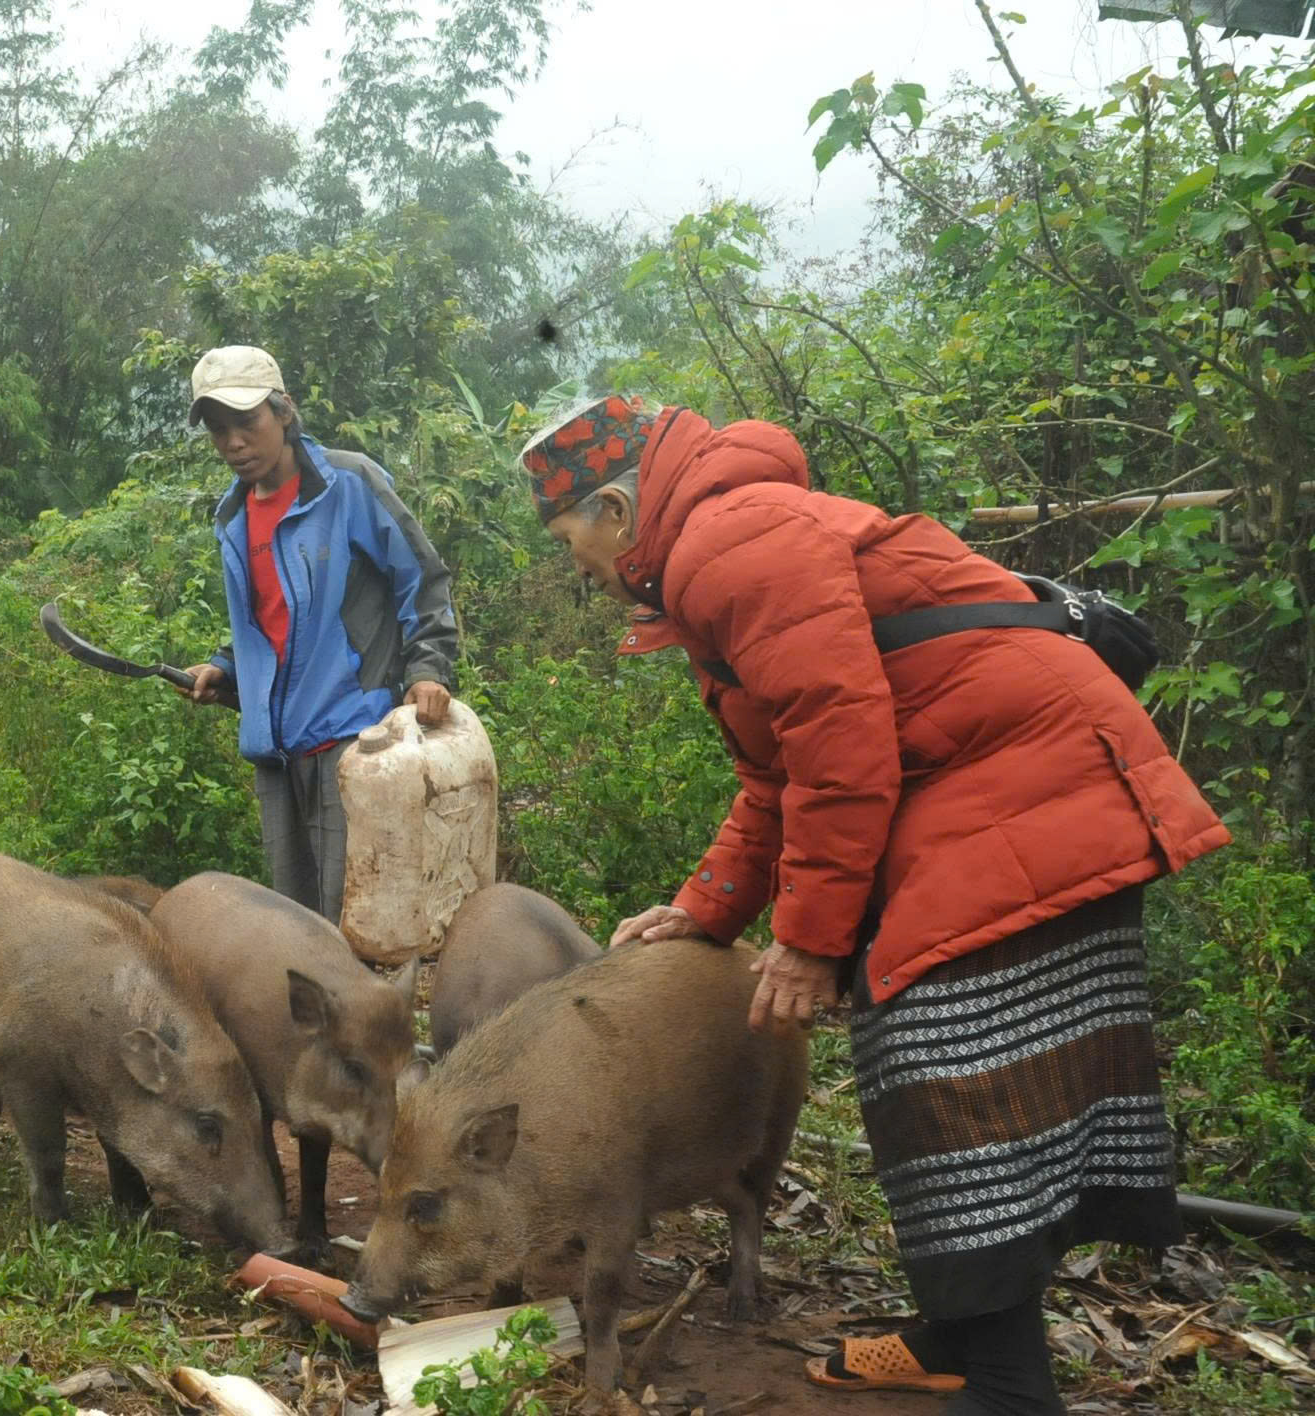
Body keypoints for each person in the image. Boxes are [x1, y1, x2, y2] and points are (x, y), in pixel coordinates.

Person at [522, 393, 1229, 1416]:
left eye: (568, 540)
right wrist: (708, 910)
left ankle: (1003, 1383)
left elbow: (841, 748)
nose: (575, 566)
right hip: (1009, 782)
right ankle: (961, 1332)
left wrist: (806, 944)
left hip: (1027, 782)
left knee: (938, 1068)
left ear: (615, 508)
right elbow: (779, 771)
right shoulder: (720, 542)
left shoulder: (726, 542)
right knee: (949, 1078)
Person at [180, 345, 459, 923]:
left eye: (246, 422)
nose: (233, 442)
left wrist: (429, 670)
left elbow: (422, 578)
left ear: (284, 411)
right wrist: (227, 668)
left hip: (354, 740)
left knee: (356, 920)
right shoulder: (232, 518)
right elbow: (269, 622)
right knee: (296, 929)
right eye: (217, 429)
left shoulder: (348, 484)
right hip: (277, 753)